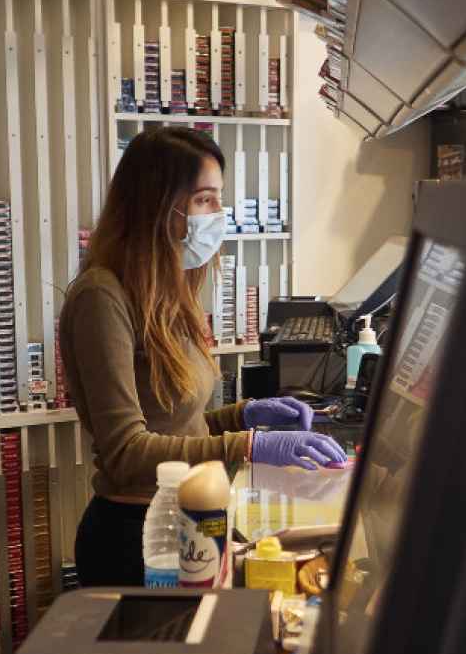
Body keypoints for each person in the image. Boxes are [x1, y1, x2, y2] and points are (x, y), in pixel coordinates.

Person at [60, 127, 347, 586]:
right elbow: (127, 450)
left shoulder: (168, 290)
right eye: (205, 200)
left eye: (219, 199)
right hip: (139, 540)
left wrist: (243, 415)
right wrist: (249, 445)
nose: (219, 214)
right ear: (157, 204)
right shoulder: (101, 297)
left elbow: (176, 426)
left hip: (195, 518)